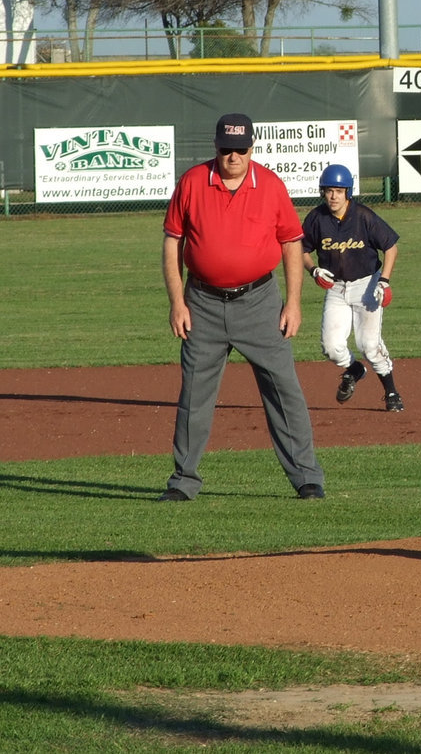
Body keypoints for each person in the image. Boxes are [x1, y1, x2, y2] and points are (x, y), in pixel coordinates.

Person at [159, 113, 325, 501]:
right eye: (225, 149)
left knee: (284, 390)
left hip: (260, 301)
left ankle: (306, 477)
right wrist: (177, 301)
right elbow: (173, 243)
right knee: (194, 395)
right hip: (202, 301)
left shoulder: (270, 185)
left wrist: (294, 303)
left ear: (252, 147)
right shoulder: (192, 182)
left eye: (241, 149)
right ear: (215, 147)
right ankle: (183, 482)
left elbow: (290, 244)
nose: (233, 156)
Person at [301, 164, 404, 412]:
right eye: (329, 190)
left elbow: (390, 247)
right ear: (322, 192)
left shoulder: (363, 216)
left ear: (348, 192)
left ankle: (391, 391)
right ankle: (354, 369)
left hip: (366, 285)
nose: (333, 196)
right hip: (336, 289)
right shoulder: (316, 218)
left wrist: (384, 280)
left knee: (369, 345)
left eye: (339, 190)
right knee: (331, 347)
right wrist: (313, 270)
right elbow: (300, 250)